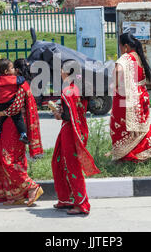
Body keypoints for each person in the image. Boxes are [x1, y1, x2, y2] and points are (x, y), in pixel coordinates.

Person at [0, 59, 44, 206]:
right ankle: (17, 195)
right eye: (12, 68)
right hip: (7, 125)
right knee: (15, 160)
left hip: (15, 126)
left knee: (8, 160)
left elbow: (16, 107)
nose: (14, 71)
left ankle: (32, 186)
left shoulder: (21, 85)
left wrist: (1, 112)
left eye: (14, 68)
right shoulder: (10, 83)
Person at [109, 33, 151, 163]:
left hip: (126, 99)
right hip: (141, 97)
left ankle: (122, 156)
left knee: (119, 126)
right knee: (142, 126)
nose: (120, 50)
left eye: (120, 46)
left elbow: (118, 71)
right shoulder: (139, 57)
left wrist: (115, 83)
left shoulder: (126, 58)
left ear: (125, 46)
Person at [50, 66, 100, 215]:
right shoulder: (80, 88)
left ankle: (81, 204)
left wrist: (58, 114)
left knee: (72, 166)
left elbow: (67, 116)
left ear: (66, 73)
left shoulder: (68, 91)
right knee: (60, 162)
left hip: (70, 131)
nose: (60, 73)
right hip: (80, 129)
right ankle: (66, 199)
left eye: (61, 70)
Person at [0, 59, 28, 144]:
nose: (14, 69)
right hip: (10, 102)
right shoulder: (13, 79)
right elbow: (22, 80)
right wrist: (21, 75)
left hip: (0, 103)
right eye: (13, 68)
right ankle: (23, 134)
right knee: (18, 119)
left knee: (1, 119)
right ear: (6, 71)